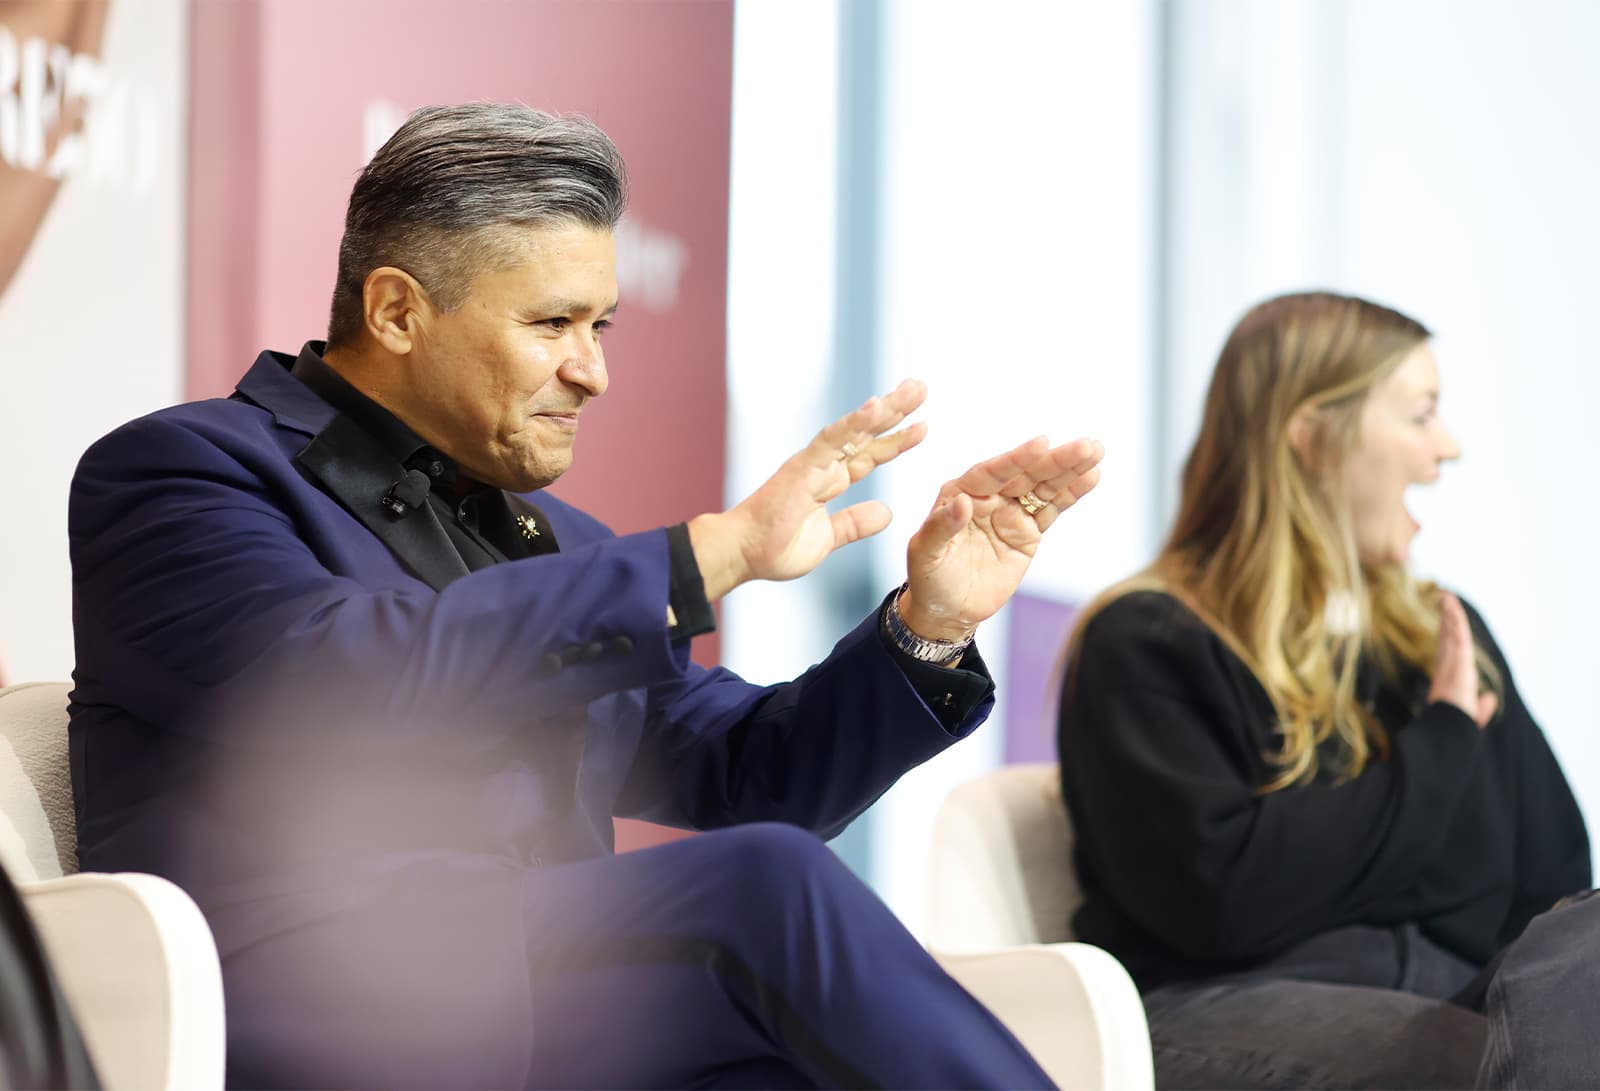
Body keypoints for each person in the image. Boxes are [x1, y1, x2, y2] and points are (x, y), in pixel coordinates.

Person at [66, 103, 1104, 1089]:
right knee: (763, 889)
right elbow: (339, 683)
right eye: (553, 323)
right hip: (311, 1004)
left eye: (600, 324)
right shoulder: (180, 473)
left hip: (537, 1013)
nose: (593, 371)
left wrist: (929, 626)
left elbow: (753, 774)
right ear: (396, 311)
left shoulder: (561, 543)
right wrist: (710, 556)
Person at [1056, 290, 1595, 1089]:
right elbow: (1224, 900)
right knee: (1484, 1060)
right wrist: (1445, 735)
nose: (1446, 447)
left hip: (1452, 997)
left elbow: (1554, 886)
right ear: (1311, 438)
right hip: (1217, 1007)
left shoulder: (1438, 637)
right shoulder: (1146, 640)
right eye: (1421, 414)